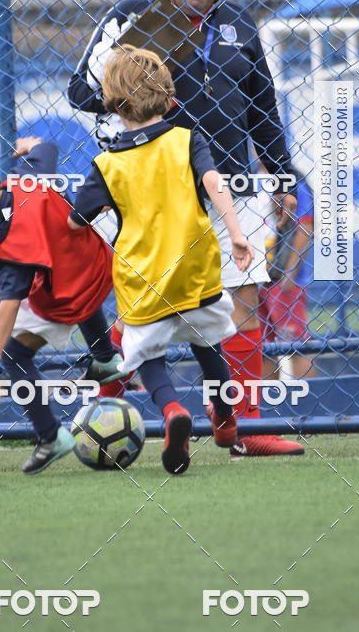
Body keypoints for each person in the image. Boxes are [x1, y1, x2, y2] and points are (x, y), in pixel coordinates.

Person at [68, 0, 303, 456]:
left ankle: (244, 430)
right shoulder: (132, 19)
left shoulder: (241, 27)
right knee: (137, 310)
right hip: (154, 194)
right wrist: (138, 93)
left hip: (233, 188)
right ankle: (104, 415)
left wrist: (283, 179)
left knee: (242, 300)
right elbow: (80, 90)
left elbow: (264, 112)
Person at [67, 47, 254, 475]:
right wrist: (238, 234)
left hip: (142, 277)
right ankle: (225, 419)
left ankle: (171, 411)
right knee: (208, 343)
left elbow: (77, 222)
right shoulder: (186, 138)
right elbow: (213, 181)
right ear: (169, 97)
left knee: (142, 355)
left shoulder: (107, 164)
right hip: (196, 268)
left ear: (113, 103)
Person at [0, 137, 124, 475]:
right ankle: (105, 357)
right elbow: (49, 148)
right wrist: (33, 145)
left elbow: (10, 301)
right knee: (75, 283)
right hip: (97, 264)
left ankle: (50, 435)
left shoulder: (8, 244)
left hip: (64, 297)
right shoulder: (26, 177)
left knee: (17, 355)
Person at [260, 172, 315, 380]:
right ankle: (268, 405)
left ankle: (309, 404)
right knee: (263, 347)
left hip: (281, 277)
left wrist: (289, 273)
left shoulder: (290, 179)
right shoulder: (247, 177)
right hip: (255, 278)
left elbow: (305, 225)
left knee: (296, 344)